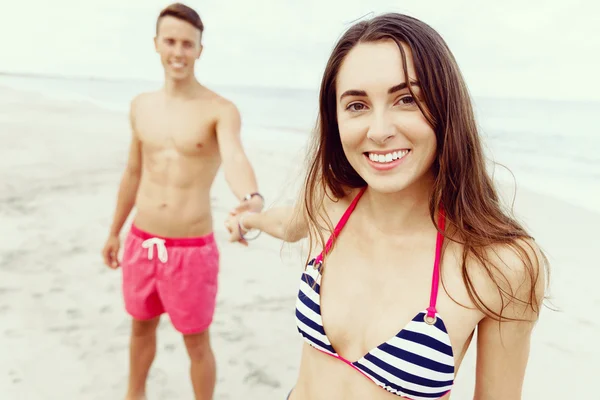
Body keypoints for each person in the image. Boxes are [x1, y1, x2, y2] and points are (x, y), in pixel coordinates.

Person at [226, 12, 548, 400]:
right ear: (336, 118)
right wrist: (250, 219)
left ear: (446, 108)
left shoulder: (502, 264)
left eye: (406, 99)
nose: (379, 131)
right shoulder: (330, 203)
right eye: (357, 105)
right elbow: (290, 223)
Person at [101, 3, 264, 400]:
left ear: (199, 50)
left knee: (196, 341)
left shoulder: (220, 110)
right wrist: (114, 232)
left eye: (187, 44)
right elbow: (133, 172)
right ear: (156, 44)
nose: (178, 51)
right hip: (142, 241)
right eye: (170, 41)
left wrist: (251, 200)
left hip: (191, 250)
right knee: (140, 326)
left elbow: (235, 157)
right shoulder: (140, 106)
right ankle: (133, 394)